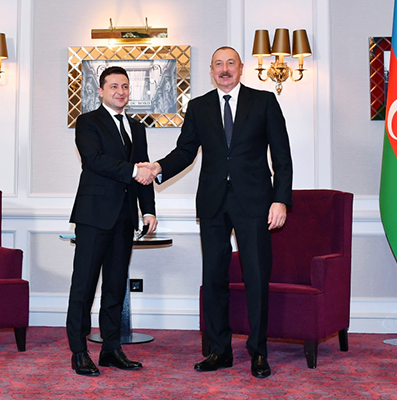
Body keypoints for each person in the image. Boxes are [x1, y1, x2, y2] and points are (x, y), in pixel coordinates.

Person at [141, 46, 292, 378]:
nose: (225, 69)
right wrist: (158, 167)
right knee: (213, 278)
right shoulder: (199, 107)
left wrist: (280, 200)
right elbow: (185, 151)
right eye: (219, 64)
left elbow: (282, 156)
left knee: (256, 277)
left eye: (230, 63)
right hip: (212, 203)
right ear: (211, 71)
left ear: (241, 68)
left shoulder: (264, 101)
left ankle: (258, 351)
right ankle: (219, 350)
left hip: (255, 203)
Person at [67, 66, 157, 377]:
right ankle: (79, 352)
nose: (121, 91)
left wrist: (148, 210)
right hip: (93, 216)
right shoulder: (88, 122)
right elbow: (94, 160)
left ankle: (111, 349)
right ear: (101, 91)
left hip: (124, 218)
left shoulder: (137, 128)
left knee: (116, 287)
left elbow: (144, 173)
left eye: (125, 86)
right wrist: (134, 171)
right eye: (114, 86)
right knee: (84, 286)